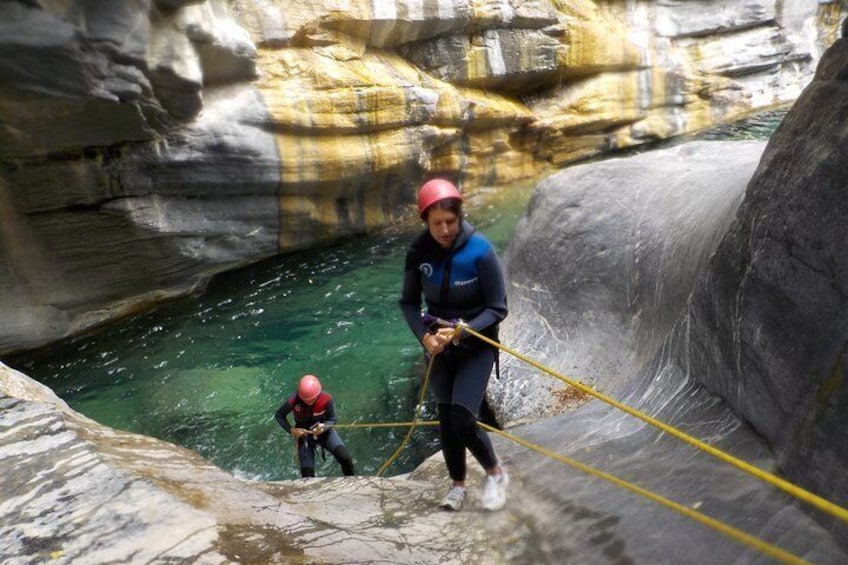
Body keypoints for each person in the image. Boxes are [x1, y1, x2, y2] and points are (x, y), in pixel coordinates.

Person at [399, 178, 509, 511]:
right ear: (425, 222)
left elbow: (497, 308)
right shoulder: (418, 253)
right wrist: (426, 337)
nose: (445, 229)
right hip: (438, 346)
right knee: (445, 419)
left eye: (451, 221)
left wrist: (462, 331)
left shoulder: (481, 251)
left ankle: (494, 472)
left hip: (476, 344)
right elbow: (407, 303)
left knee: (463, 418)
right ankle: (457, 484)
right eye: (437, 224)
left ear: (460, 217)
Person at [275, 374, 355, 478]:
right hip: (304, 435)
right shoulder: (293, 400)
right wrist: (291, 430)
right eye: (305, 399)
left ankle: (352, 481)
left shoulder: (326, 399)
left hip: (324, 431)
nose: (308, 402)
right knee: (307, 473)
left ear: (317, 395)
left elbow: (332, 419)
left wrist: (324, 427)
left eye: (311, 399)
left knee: (345, 459)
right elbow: (279, 415)